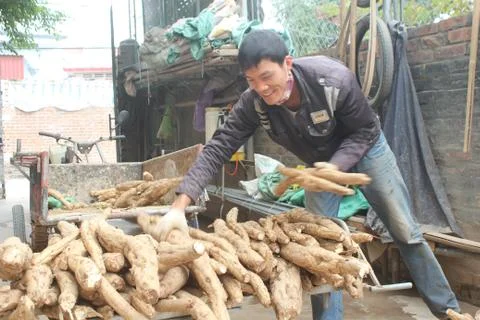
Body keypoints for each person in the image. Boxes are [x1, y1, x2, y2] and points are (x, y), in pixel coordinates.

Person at [157, 29, 460, 319]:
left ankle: (447, 310)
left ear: (287, 64)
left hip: (367, 148)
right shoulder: (254, 103)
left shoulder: (332, 80)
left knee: (404, 229)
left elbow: (365, 129)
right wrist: (179, 207)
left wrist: (337, 166)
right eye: (252, 81)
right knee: (320, 248)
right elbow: (217, 149)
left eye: (267, 77)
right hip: (320, 167)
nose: (262, 88)